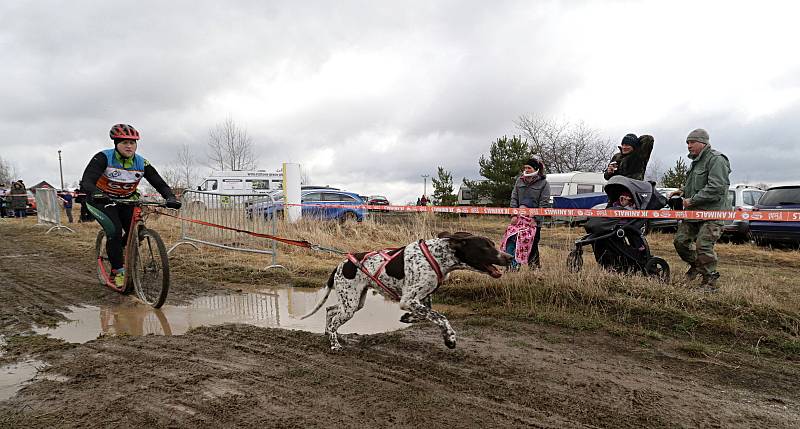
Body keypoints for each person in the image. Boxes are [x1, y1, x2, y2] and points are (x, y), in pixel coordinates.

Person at [80, 124, 181, 289]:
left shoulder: (141, 162)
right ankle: (117, 271)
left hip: (127, 200)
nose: (129, 146)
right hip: (101, 201)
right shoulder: (103, 157)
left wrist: (169, 196)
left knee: (138, 233)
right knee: (114, 230)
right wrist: (96, 192)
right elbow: (87, 181)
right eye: (125, 142)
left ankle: (117, 250)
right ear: (116, 144)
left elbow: (158, 182)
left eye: (133, 143)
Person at [670, 128, 731, 291]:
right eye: (687, 143)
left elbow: (716, 187)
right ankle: (697, 265)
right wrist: (682, 191)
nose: (688, 146)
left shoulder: (717, 159)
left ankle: (710, 281)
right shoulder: (695, 161)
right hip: (694, 213)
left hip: (712, 213)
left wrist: (691, 200)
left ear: (703, 143)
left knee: (703, 245)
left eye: (692, 142)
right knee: (680, 242)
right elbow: (696, 184)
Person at [510, 157, 551, 268]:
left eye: (529, 168)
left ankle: (534, 268)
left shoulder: (544, 183)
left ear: (536, 169)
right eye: (525, 168)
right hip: (519, 219)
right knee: (515, 242)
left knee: (532, 244)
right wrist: (513, 214)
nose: (526, 170)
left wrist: (535, 218)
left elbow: (544, 203)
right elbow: (514, 198)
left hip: (534, 221)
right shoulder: (519, 181)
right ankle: (514, 267)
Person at [500, 202, 536, 270]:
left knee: (517, 254)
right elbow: (511, 226)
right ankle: (509, 267)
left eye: (524, 210)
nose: (521, 212)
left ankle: (514, 268)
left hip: (521, 242)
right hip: (511, 239)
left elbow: (532, 230)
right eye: (520, 210)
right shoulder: (516, 218)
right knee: (509, 252)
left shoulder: (531, 220)